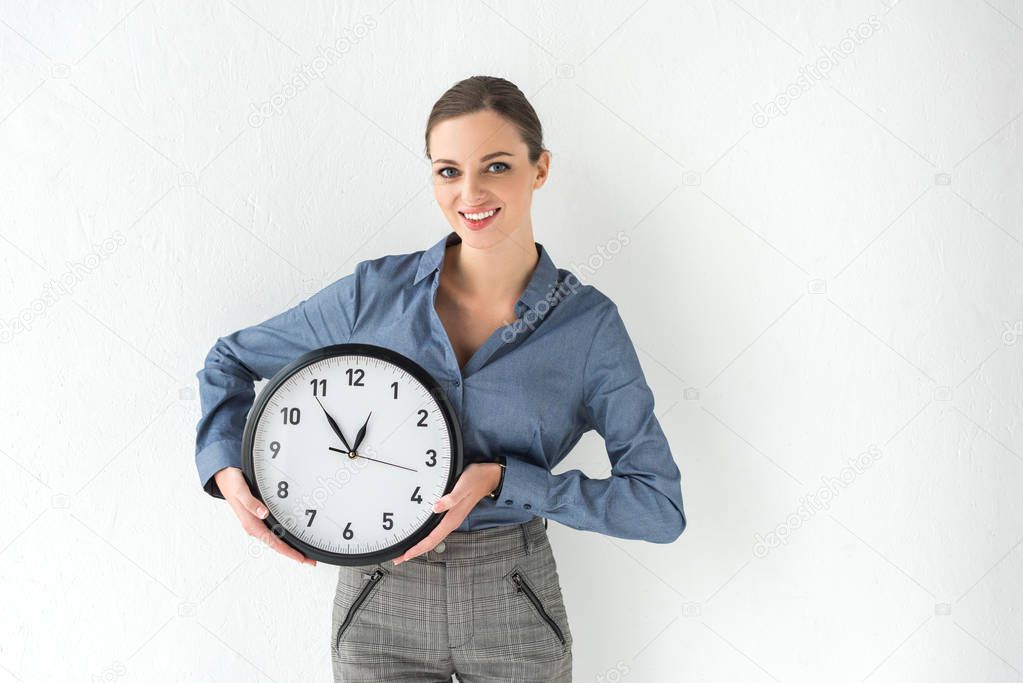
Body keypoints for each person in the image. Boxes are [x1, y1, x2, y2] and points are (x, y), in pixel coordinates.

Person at [193, 75, 687, 682]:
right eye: (448, 170)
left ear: (541, 169)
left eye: (497, 165)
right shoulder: (373, 296)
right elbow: (230, 360)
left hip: (513, 599)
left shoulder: (587, 328)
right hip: (380, 598)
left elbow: (658, 508)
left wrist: (506, 481)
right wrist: (225, 468)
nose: (471, 192)